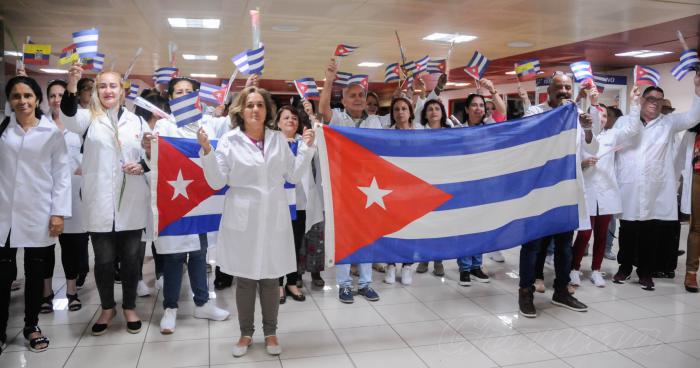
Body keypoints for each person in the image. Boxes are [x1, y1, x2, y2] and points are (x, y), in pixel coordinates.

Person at [198, 86, 316, 357]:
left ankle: (271, 332)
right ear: (241, 109)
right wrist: (206, 151)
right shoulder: (229, 140)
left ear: (267, 110)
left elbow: (294, 175)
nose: (255, 109)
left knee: (271, 276)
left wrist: (307, 148)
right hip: (242, 214)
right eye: (250, 104)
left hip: (274, 213)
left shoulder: (278, 139)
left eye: (260, 105)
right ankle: (245, 333)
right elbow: (217, 181)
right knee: (247, 277)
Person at [61, 63, 149, 335]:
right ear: (97, 91)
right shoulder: (89, 118)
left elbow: (152, 152)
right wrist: (73, 85)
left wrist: (143, 165)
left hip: (131, 201)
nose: (108, 90)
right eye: (102, 86)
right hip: (99, 201)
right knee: (104, 260)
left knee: (132, 259)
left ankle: (130, 306)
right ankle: (108, 307)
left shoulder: (137, 121)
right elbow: (68, 118)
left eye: (113, 85)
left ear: (122, 91)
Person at [141, 77, 231, 335]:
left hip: (203, 200)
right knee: (174, 256)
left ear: (197, 97)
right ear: (171, 98)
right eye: (178, 92)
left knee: (200, 253)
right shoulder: (163, 126)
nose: (183, 96)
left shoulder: (210, 124)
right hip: (176, 201)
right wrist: (149, 150)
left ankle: (202, 302)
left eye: (188, 92)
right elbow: (155, 163)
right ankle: (170, 308)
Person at [0, 75, 71, 353]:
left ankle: (31, 325)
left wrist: (58, 213)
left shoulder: (50, 132)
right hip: (4, 211)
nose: (22, 101)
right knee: (3, 275)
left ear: (37, 100)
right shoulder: (3, 130)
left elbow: (61, 175)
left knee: (35, 273)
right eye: (16, 96)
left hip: (39, 212)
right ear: (9, 100)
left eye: (27, 96)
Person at [518, 72, 597, 318]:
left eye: (567, 87)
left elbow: (591, 147)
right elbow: (535, 135)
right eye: (559, 87)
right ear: (548, 91)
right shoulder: (535, 112)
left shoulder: (576, 114)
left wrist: (586, 130)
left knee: (564, 245)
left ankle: (561, 291)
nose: (563, 91)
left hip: (566, 189)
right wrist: (569, 109)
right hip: (538, 189)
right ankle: (526, 292)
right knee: (533, 244)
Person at [614, 74, 700, 290]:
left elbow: (693, 117)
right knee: (627, 230)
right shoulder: (625, 121)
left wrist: (697, 88)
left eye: (659, 100)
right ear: (642, 100)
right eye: (651, 99)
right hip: (630, 184)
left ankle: (645, 272)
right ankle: (624, 267)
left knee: (649, 232)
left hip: (655, 187)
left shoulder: (668, 123)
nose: (655, 103)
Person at [320, 57, 381, 304]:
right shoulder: (337, 118)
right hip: (342, 187)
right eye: (352, 95)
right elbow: (322, 108)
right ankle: (344, 285)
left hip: (370, 188)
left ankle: (366, 283)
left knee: (366, 236)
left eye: (360, 95)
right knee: (344, 238)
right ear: (343, 100)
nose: (357, 98)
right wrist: (329, 81)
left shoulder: (375, 122)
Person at [571, 87, 642, 288]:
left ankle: (595, 270)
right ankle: (574, 269)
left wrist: (634, 103)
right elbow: (572, 161)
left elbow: (633, 129)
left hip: (606, 193)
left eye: (604, 116)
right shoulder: (581, 137)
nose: (600, 119)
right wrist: (582, 165)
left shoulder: (612, 136)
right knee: (584, 234)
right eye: (597, 115)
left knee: (602, 235)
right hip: (586, 192)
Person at [42, 79, 88, 312]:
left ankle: (72, 291)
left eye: (61, 95)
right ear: (47, 99)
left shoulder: (79, 126)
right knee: (44, 247)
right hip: (44, 197)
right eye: (52, 95)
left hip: (73, 197)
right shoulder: (40, 126)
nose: (57, 99)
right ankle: (46, 292)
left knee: (71, 247)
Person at [275, 105, 325, 300]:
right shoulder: (272, 143)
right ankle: (277, 283)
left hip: (300, 203)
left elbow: (318, 151)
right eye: (286, 117)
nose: (290, 121)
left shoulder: (304, 142)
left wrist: (310, 140)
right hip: (279, 203)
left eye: (294, 118)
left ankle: (292, 282)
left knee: (295, 244)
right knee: (279, 244)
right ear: (278, 123)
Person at [455, 93, 492, 286]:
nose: (478, 108)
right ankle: (464, 268)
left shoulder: (491, 129)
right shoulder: (457, 131)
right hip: (464, 186)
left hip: (483, 186)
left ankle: (477, 265)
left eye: (481, 105)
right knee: (466, 227)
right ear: (467, 109)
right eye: (474, 105)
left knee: (480, 227)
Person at [384, 97, 418, 285]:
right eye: (396, 109)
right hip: (391, 189)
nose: (400, 112)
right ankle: (390, 264)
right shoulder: (386, 135)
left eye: (404, 108)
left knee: (410, 229)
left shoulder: (420, 133)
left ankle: (407, 266)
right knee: (391, 228)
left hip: (413, 189)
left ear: (411, 112)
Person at [416, 99, 449, 276]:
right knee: (425, 222)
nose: (434, 111)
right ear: (425, 113)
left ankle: (438, 260)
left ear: (442, 113)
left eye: (437, 108)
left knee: (440, 224)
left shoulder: (450, 133)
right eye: (430, 109)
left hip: (444, 183)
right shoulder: (418, 133)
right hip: (424, 185)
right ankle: (423, 257)